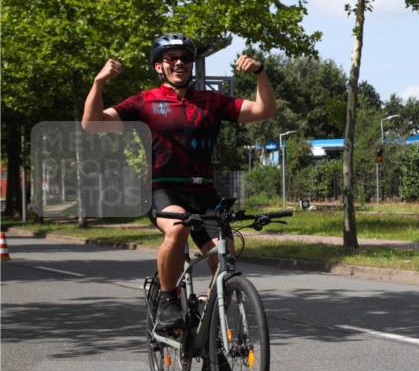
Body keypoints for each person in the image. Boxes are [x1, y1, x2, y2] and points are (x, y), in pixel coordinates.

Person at [82, 34, 276, 333]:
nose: (179, 63)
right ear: (158, 66)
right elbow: (92, 124)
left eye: (185, 58)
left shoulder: (211, 101)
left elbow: (265, 110)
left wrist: (260, 72)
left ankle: (209, 317)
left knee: (225, 252)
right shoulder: (144, 100)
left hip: (204, 191)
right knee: (177, 228)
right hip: (163, 189)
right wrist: (99, 83)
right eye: (171, 58)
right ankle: (168, 298)